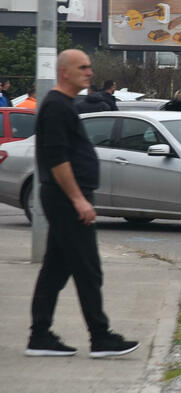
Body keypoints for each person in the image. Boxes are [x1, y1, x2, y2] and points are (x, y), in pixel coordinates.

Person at [27, 49, 139, 358]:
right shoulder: (55, 107)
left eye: (90, 67)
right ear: (65, 72)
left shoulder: (64, 105)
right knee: (88, 269)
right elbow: (58, 159)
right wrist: (78, 200)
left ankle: (40, 336)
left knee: (55, 269)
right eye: (83, 67)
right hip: (65, 199)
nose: (89, 72)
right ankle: (101, 338)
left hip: (67, 198)